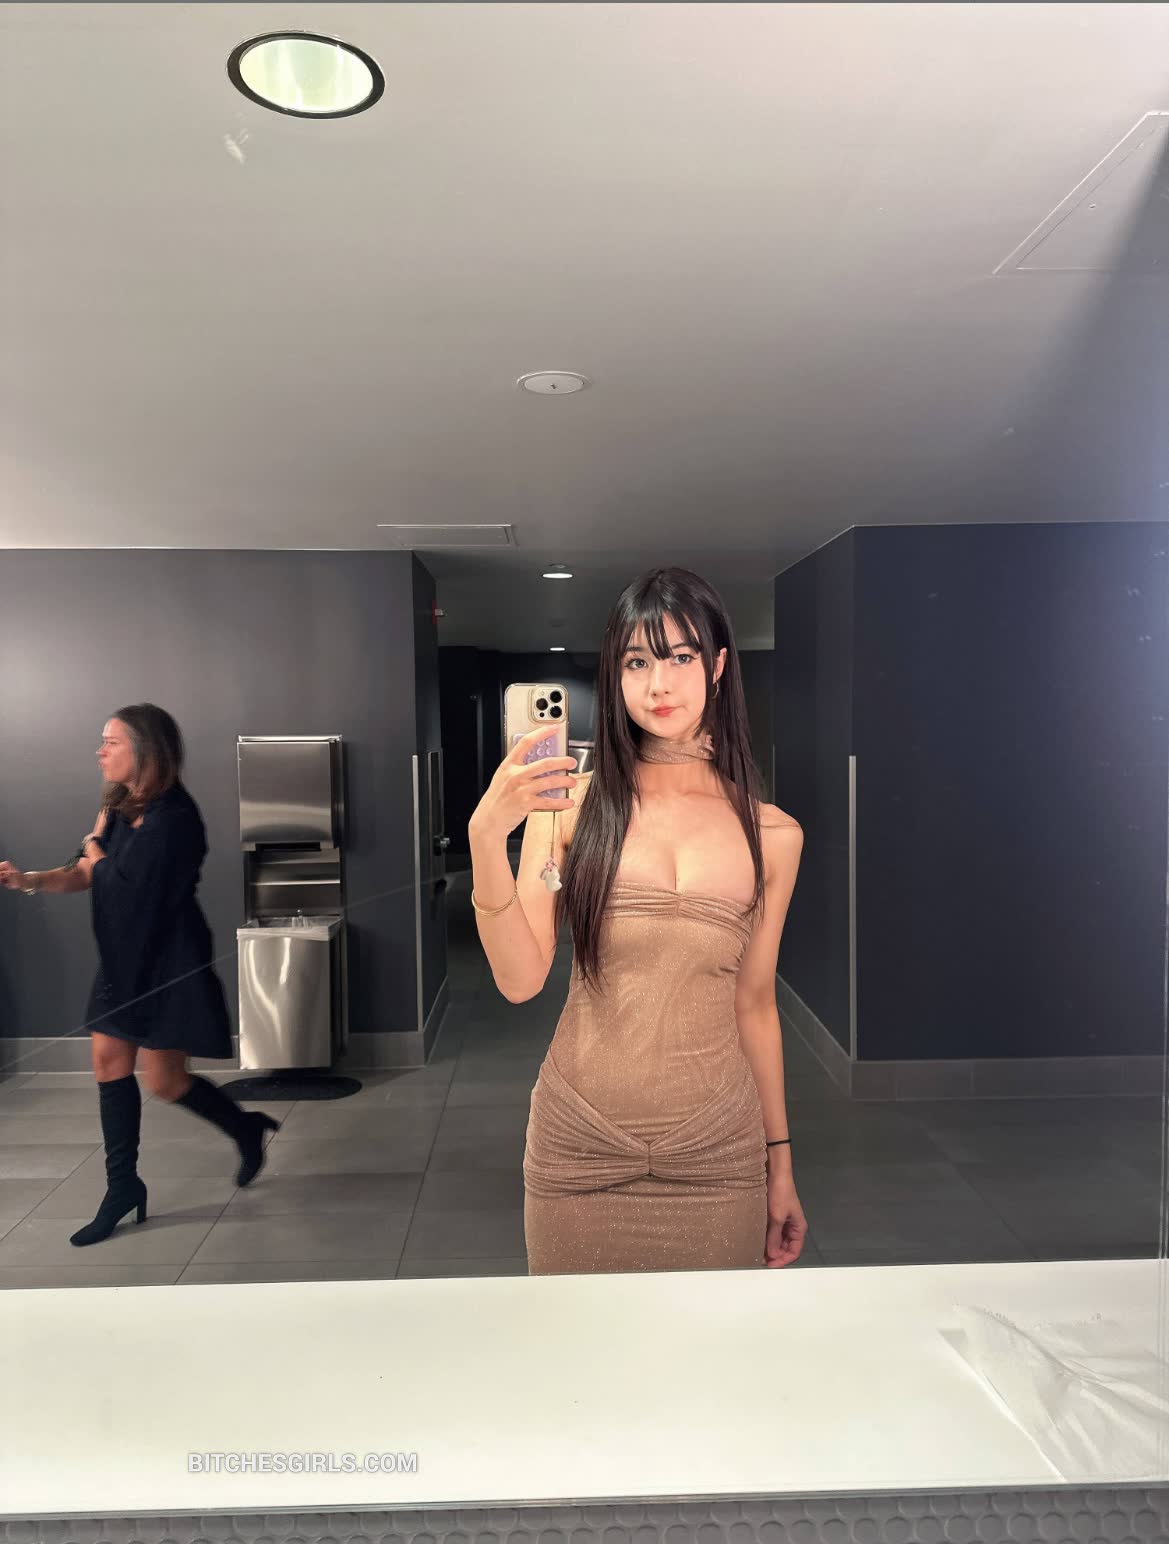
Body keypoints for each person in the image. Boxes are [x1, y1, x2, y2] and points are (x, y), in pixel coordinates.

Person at [469, 567, 808, 1273]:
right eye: (636, 662)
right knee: (573, 1346)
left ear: (718, 666)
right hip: (578, 1149)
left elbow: (754, 1005)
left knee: (711, 1347)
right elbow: (519, 980)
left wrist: (780, 1164)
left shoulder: (772, 835)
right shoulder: (568, 810)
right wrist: (485, 838)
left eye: (680, 656)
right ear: (615, 674)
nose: (659, 684)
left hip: (717, 1156)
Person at [0, 704, 279, 1247]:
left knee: (165, 1081)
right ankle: (122, 1186)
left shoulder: (176, 818)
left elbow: (129, 891)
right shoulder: (118, 806)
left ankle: (246, 1127)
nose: (100, 751)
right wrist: (29, 879)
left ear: (146, 749)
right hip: (122, 958)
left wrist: (95, 849)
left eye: (111, 742)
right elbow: (86, 872)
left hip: (169, 959)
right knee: (108, 1062)